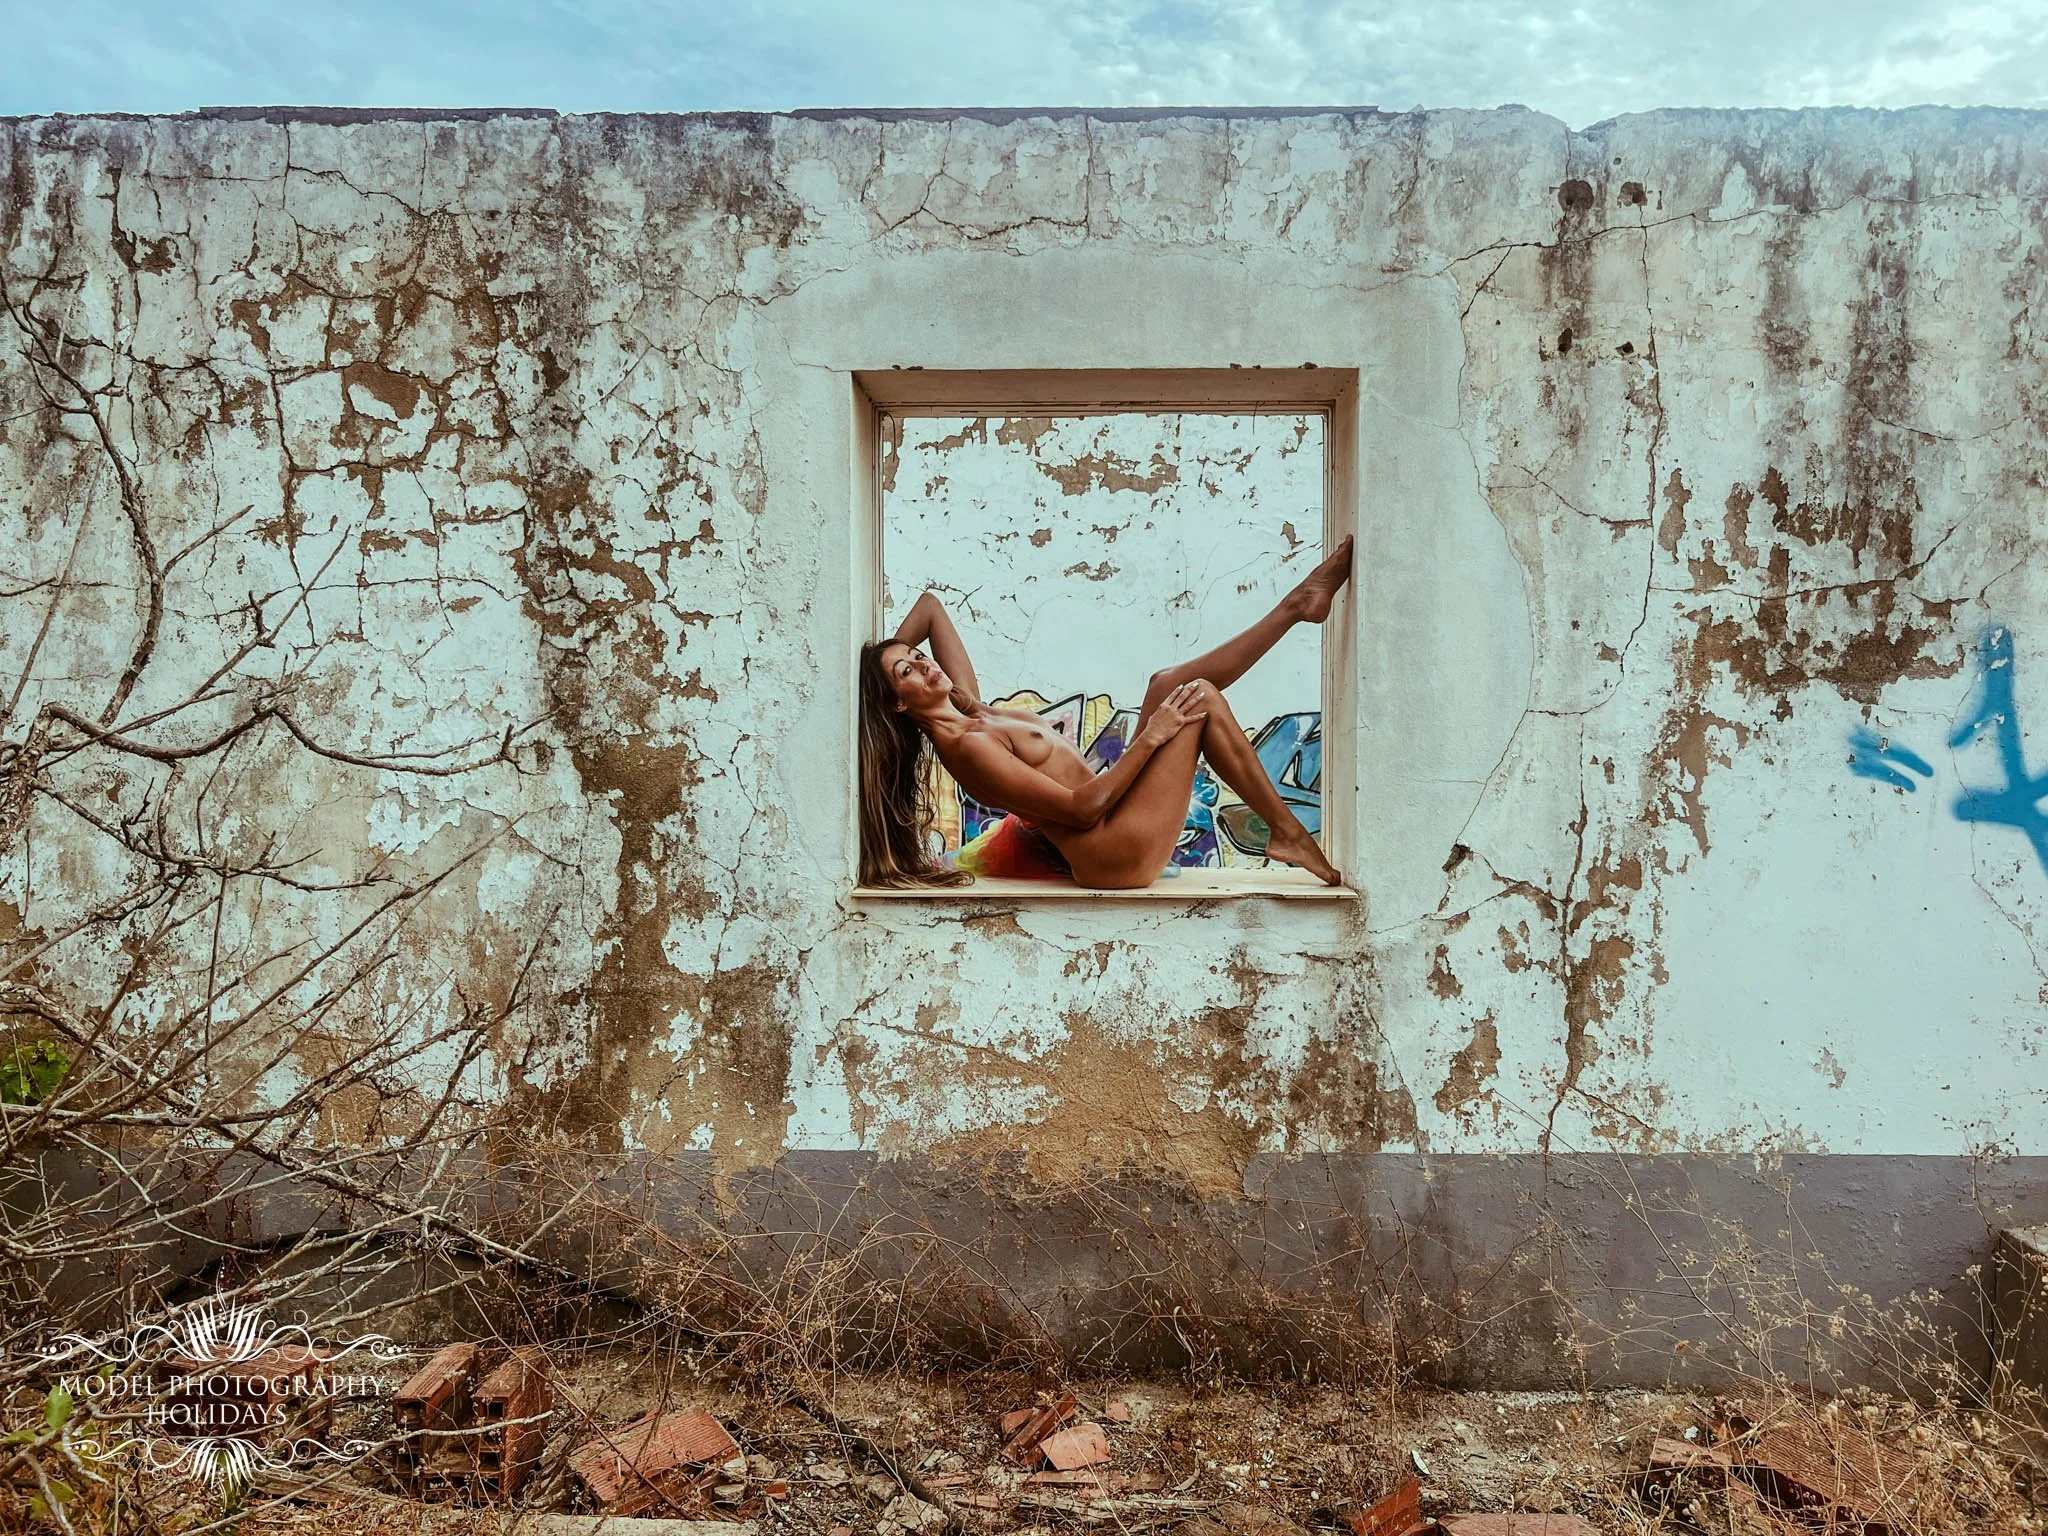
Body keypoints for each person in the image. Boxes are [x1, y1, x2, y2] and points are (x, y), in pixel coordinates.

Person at [858, 538, 1352, 890]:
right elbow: (1079, 809)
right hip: (1113, 853)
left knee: (1164, 684)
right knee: (1196, 698)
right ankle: (1287, 833)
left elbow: (929, 608)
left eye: (920, 657)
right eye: (909, 673)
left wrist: (889, 664)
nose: (926, 667)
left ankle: (1297, 606)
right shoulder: (966, 748)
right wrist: (1150, 737)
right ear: (898, 704)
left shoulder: (967, 706)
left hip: (1117, 819)